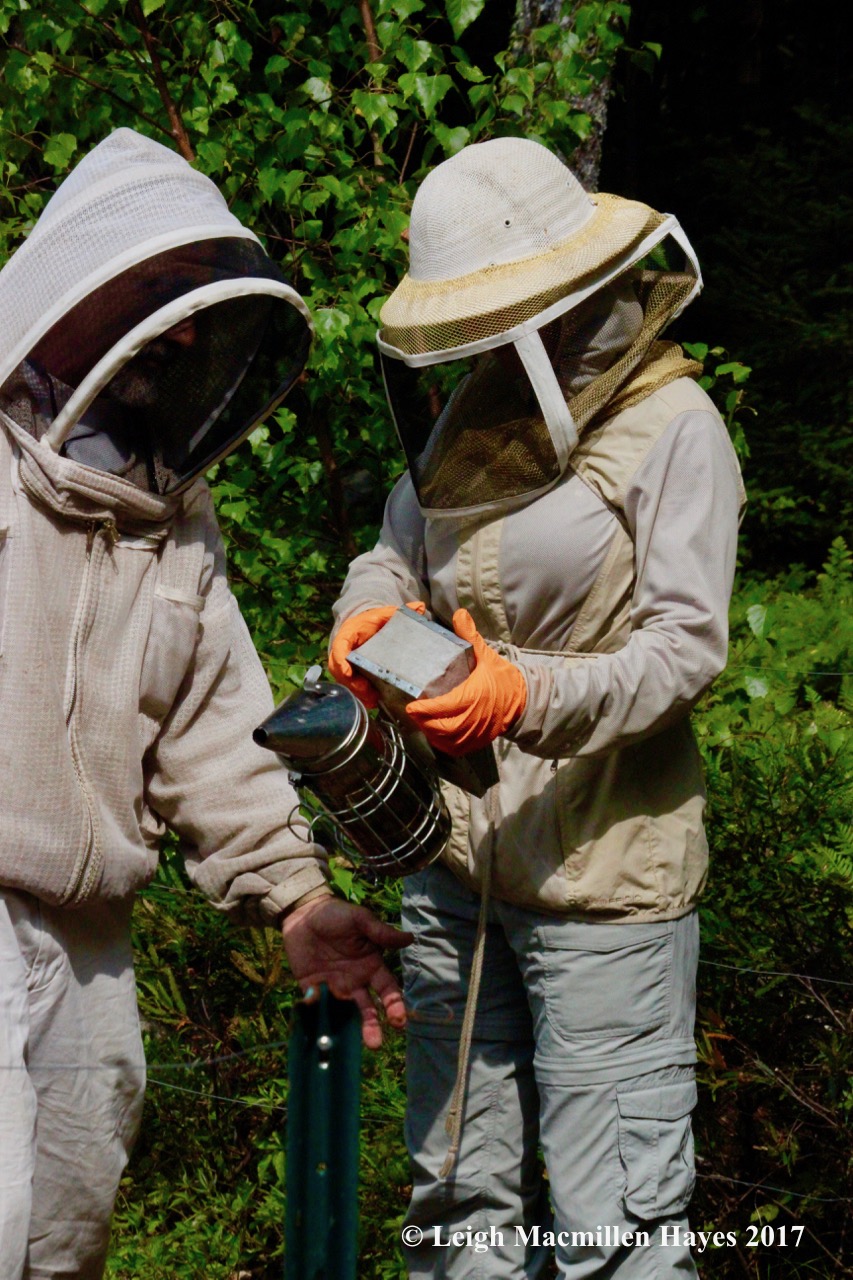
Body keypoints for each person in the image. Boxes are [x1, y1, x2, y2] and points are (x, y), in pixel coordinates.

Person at [329, 137, 745, 1278]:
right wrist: (365, 616)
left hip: (604, 883)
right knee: (456, 1205)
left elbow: (684, 650)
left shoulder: (674, 428)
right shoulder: (476, 410)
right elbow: (393, 550)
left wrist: (526, 692)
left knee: (616, 1230)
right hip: (455, 872)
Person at [0, 127, 410, 1280]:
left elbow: (211, 725)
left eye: (197, 302)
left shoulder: (170, 506)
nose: (182, 329)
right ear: (79, 275)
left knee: (63, 1238)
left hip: (90, 944)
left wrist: (292, 895)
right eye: (161, 291)